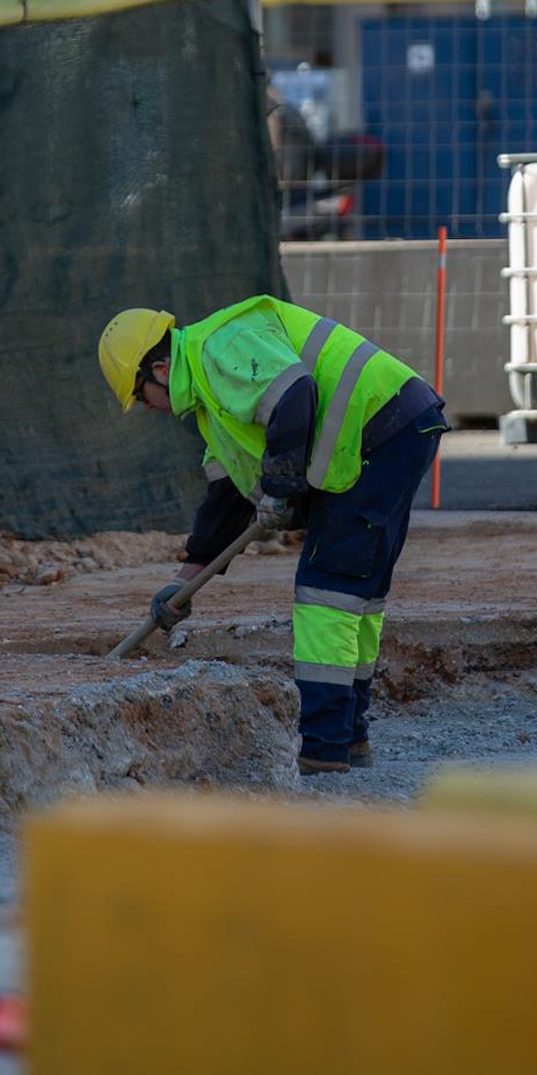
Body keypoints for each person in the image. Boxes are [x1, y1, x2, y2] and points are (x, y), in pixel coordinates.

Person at [96, 300, 447, 774]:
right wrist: (187, 579)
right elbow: (226, 497)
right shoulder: (211, 399)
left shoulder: (218, 348)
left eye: (140, 396)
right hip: (395, 428)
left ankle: (324, 749)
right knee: (355, 594)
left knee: (327, 591)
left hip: (378, 428)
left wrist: (281, 486)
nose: (146, 409)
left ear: (160, 369)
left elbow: (295, 394)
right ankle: (348, 740)